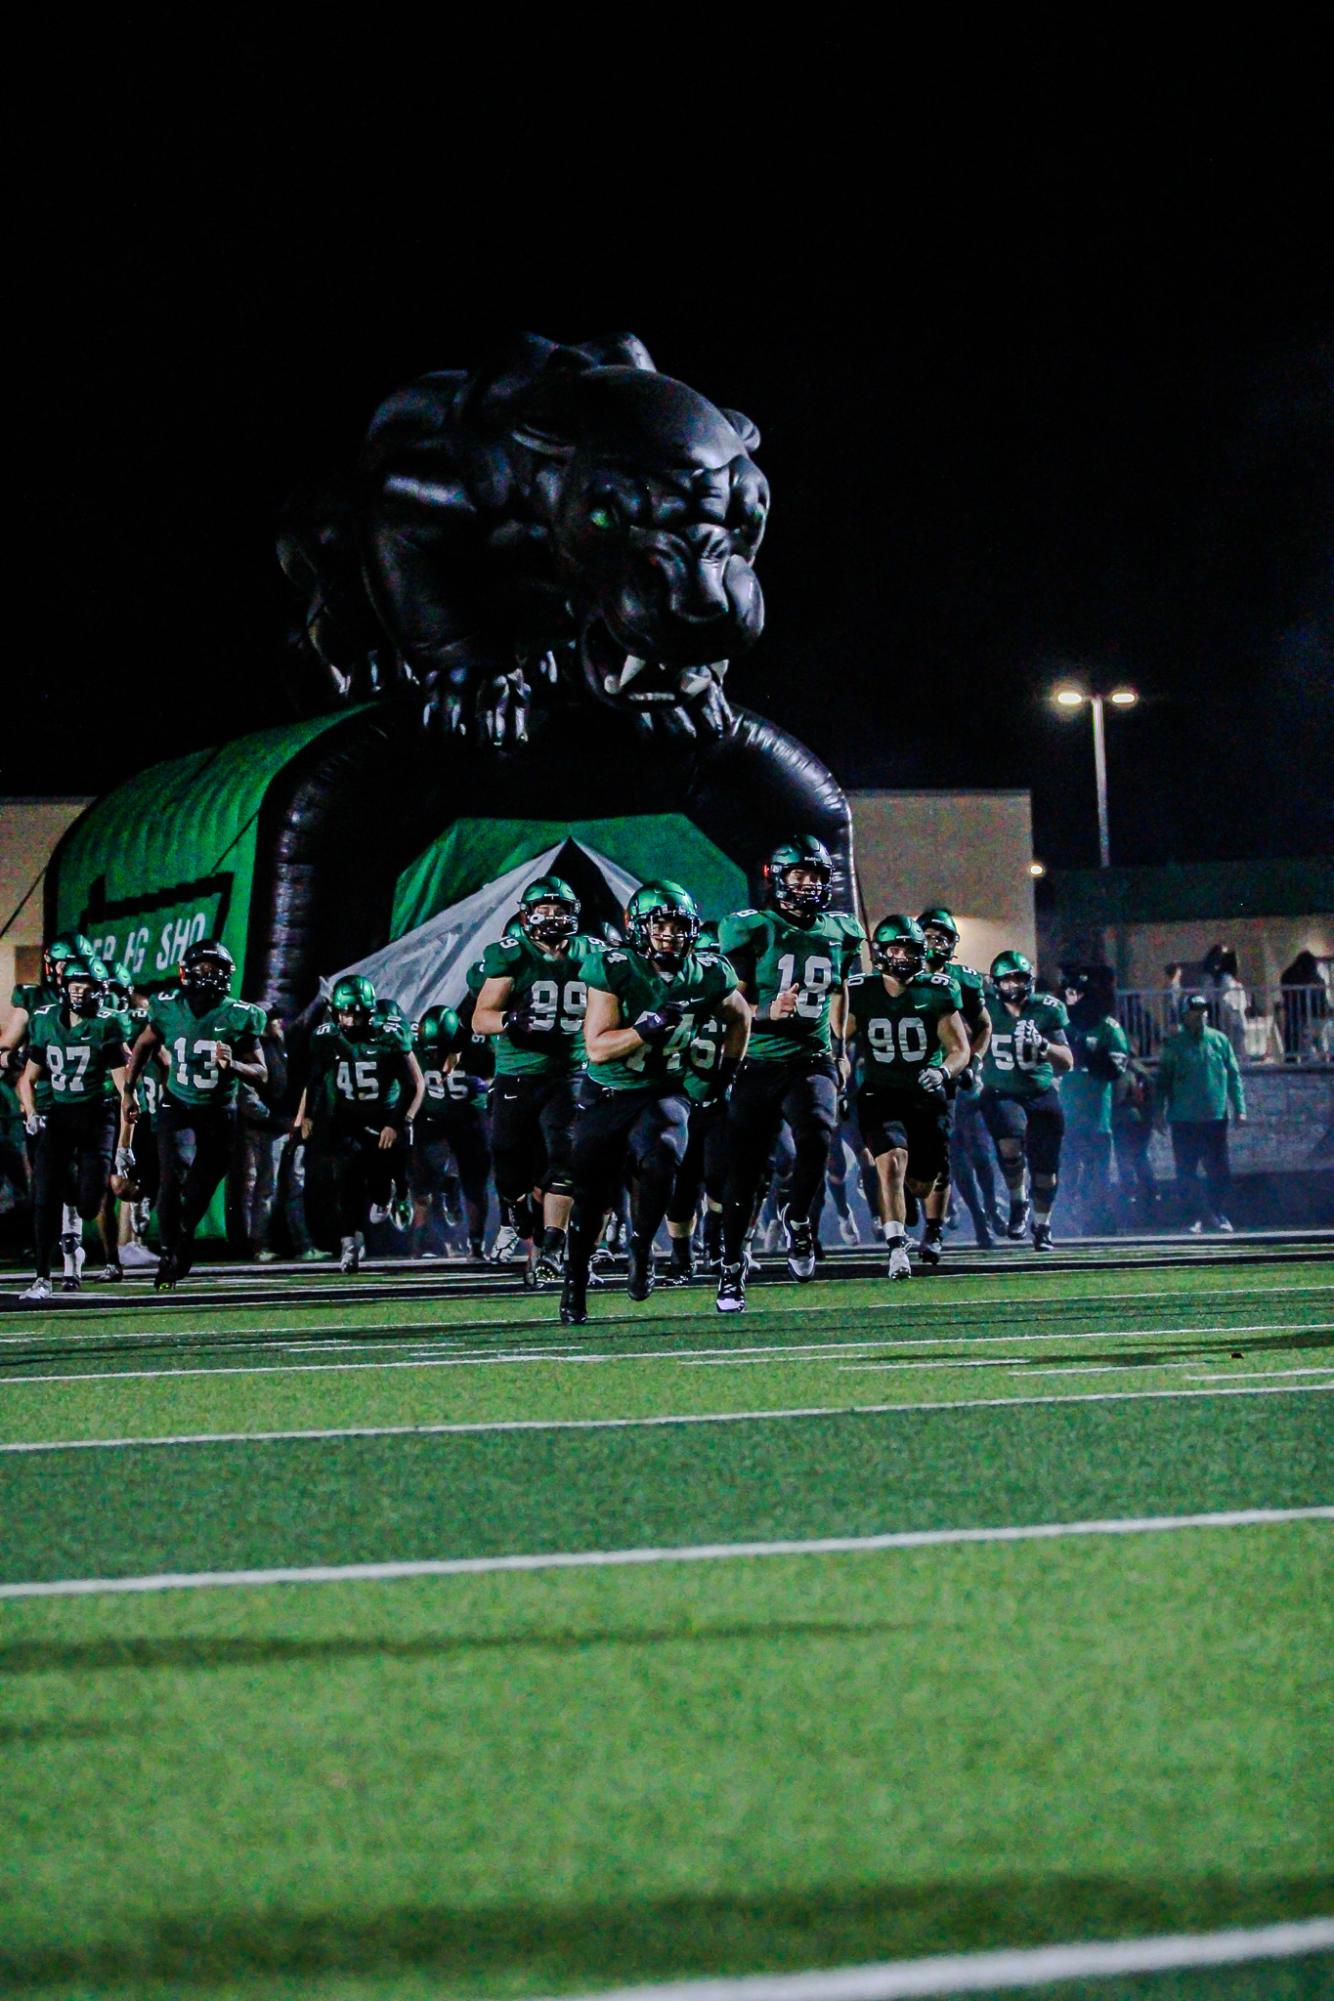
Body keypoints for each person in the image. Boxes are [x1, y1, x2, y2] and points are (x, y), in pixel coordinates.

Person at [561, 882, 748, 1325]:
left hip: (664, 1089)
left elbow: (740, 1016)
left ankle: (642, 1244)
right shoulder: (614, 968)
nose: (669, 934)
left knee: (664, 1156)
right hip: (607, 1091)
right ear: (639, 928)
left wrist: (727, 1071)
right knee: (589, 1195)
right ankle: (574, 1283)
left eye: (677, 926)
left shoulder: (708, 973)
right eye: (659, 925)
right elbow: (598, 1048)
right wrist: (644, 1030)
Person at [717, 836, 864, 1309]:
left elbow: (840, 990)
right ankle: (731, 1266)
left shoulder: (841, 931)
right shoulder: (753, 929)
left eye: (815, 877)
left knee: (819, 1137)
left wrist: (839, 1044)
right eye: (798, 876)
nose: (807, 885)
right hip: (758, 1059)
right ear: (777, 880)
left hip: (810, 1056)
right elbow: (732, 1006)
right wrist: (766, 1013)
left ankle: (798, 1219)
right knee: (745, 1171)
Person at [122, 940, 268, 1289]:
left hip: (219, 1112)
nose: (208, 975)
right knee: (173, 1178)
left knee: (201, 1190)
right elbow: (143, 1045)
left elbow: (262, 1073)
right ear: (186, 971)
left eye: (215, 969)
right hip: (178, 1105)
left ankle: (183, 1237)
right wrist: (128, 1089)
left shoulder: (239, 1014)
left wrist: (232, 1063)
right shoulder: (167, 1007)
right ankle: (170, 1251)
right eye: (202, 968)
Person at [473, 877, 595, 1282]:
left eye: (560, 910)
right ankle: (520, 1220)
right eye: (543, 910)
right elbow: (481, 1018)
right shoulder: (511, 955)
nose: (552, 918)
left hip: (569, 1074)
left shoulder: (591, 954)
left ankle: (554, 1250)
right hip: (518, 1077)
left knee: (567, 1158)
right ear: (526, 915)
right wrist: (510, 1019)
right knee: (509, 1170)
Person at [845, 915, 969, 1279]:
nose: (901, 957)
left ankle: (916, 1211)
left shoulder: (937, 990)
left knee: (921, 1182)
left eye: (909, 949)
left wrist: (943, 1071)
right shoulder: (863, 990)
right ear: (880, 953)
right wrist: (835, 1066)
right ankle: (897, 1247)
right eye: (894, 949)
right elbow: (837, 1037)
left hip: (924, 1095)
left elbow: (959, 1048)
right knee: (891, 1162)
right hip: (880, 1092)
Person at [15, 958, 129, 1299]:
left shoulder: (108, 1025)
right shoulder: (47, 1020)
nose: (79, 992)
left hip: (97, 1116)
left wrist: (125, 1143)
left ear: (100, 990)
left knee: (89, 1204)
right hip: (61, 1115)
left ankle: (76, 1230)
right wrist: (31, 1110)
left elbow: (125, 1090)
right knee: (44, 1194)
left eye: (87, 986)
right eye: (75, 985)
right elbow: (27, 1079)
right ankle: (42, 1277)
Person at [295, 976, 423, 1271]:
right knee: (344, 1181)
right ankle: (349, 1244)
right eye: (344, 1013)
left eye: (356, 1013)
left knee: (382, 1177)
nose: (350, 1021)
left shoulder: (389, 1034)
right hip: (347, 1117)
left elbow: (412, 1084)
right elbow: (314, 1079)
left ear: (369, 1011)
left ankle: (394, 1192)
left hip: (384, 1116)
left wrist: (398, 1122)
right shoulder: (326, 1036)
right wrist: (308, 1116)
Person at [978, 950, 1074, 1251]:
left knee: (1046, 1174)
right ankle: (1018, 1201)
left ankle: (1042, 1226)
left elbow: (1067, 1062)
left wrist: (1043, 1045)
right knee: (1010, 1145)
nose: (1013, 986)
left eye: (1018, 978)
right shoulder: (986, 1008)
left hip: (1040, 1092)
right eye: (1006, 980)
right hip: (1000, 1091)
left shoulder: (1046, 1009)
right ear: (995, 983)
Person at [916, 906, 992, 1261]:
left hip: (947, 1077)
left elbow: (984, 1025)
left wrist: (972, 1062)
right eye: (928, 936)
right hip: (901, 1075)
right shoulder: (899, 976)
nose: (935, 943)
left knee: (963, 1156)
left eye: (942, 937)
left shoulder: (964, 979)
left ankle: (976, 1221)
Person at [1155, 992, 1247, 1232]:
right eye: (1195, 1012)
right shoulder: (1174, 1045)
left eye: (1203, 1011)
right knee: (1186, 1171)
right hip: (1184, 1119)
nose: (1201, 1015)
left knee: (1221, 1171)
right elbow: (1162, 1081)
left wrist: (1240, 1108)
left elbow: (1233, 1075)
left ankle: (1216, 1212)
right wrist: (1158, 1111)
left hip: (1214, 1117)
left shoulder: (1219, 1041)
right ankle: (1194, 1217)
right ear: (1185, 1016)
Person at [411, 1005, 492, 1259]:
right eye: (433, 1052)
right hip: (432, 1118)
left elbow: (496, 1073)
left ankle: (476, 1243)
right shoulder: (415, 1044)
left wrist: (483, 1085)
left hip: (469, 1119)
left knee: (475, 1185)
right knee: (422, 1180)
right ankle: (422, 1241)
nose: (438, 1060)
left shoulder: (479, 1044)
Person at [1060, 969, 1130, 1236]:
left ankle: (1096, 1219)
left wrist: (1089, 1055)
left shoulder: (1108, 1028)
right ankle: (1065, 1221)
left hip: (1096, 1120)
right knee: (1066, 1173)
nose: (1072, 999)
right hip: (1064, 1118)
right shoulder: (1061, 1027)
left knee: (1097, 1175)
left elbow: (1116, 1068)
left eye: (1077, 993)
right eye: (1068, 993)